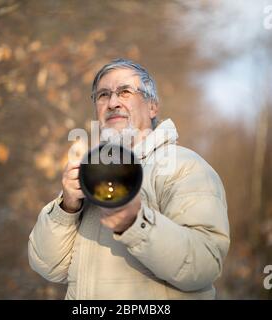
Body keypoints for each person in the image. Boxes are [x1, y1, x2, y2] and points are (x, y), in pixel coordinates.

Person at [28, 58, 230, 299]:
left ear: (152, 106)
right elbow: (49, 267)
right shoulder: (92, 173)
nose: (113, 102)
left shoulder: (185, 167)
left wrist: (137, 223)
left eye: (124, 92)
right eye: (103, 95)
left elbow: (205, 265)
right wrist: (67, 207)